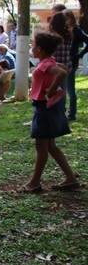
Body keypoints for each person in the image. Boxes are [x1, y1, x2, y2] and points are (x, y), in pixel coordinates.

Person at [22, 31, 79, 193]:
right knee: (51, 146)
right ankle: (71, 178)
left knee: (41, 145)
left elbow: (61, 73)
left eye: (33, 45)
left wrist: (51, 90)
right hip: (45, 107)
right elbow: (65, 69)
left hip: (44, 107)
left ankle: (35, 182)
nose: (32, 48)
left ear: (39, 48)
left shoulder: (46, 64)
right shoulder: (48, 62)